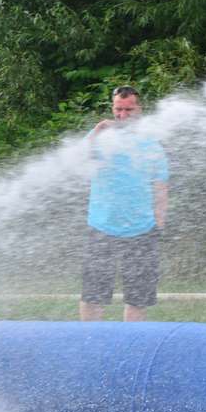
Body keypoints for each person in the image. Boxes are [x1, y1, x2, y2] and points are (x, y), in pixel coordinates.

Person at [79, 86, 169, 322]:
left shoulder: (151, 143)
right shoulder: (99, 137)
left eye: (129, 109)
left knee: (137, 298)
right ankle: (90, 342)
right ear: (112, 107)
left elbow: (161, 185)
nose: (123, 115)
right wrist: (96, 133)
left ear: (139, 109)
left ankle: (130, 345)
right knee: (92, 296)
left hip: (142, 230)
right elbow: (79, 163)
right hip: (101, 227)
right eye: (118, 109)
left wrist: (159, 223)